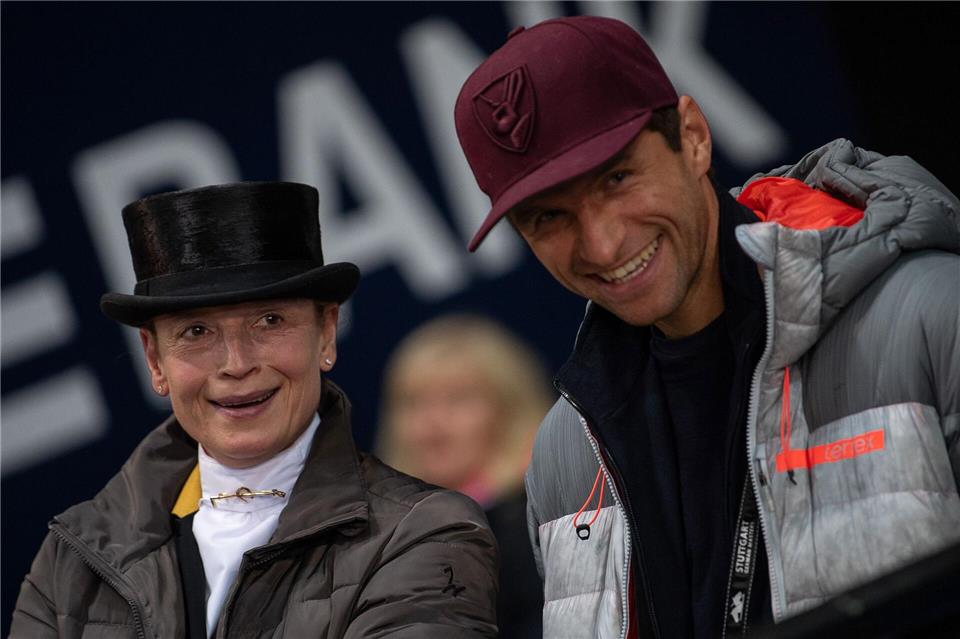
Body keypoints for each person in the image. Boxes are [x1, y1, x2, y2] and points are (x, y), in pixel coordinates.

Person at [453, 15, 960, 639]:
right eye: (549, 219)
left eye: (617, 178)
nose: (603, 243)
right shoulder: (565, 454)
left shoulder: (931, 313)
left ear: (693, 136)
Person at [9, 182, 499, 639]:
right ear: (156, 361)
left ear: (326, 333)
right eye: (196, 332)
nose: (236, 364)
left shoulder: (426, 533)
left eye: (270, 321)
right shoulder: (74, 555)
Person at [377, 314, 552, 638]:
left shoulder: (544, 518)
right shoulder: (383, 542)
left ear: (507, 410)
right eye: (414, 403)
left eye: (457, 399)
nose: (433, 423)